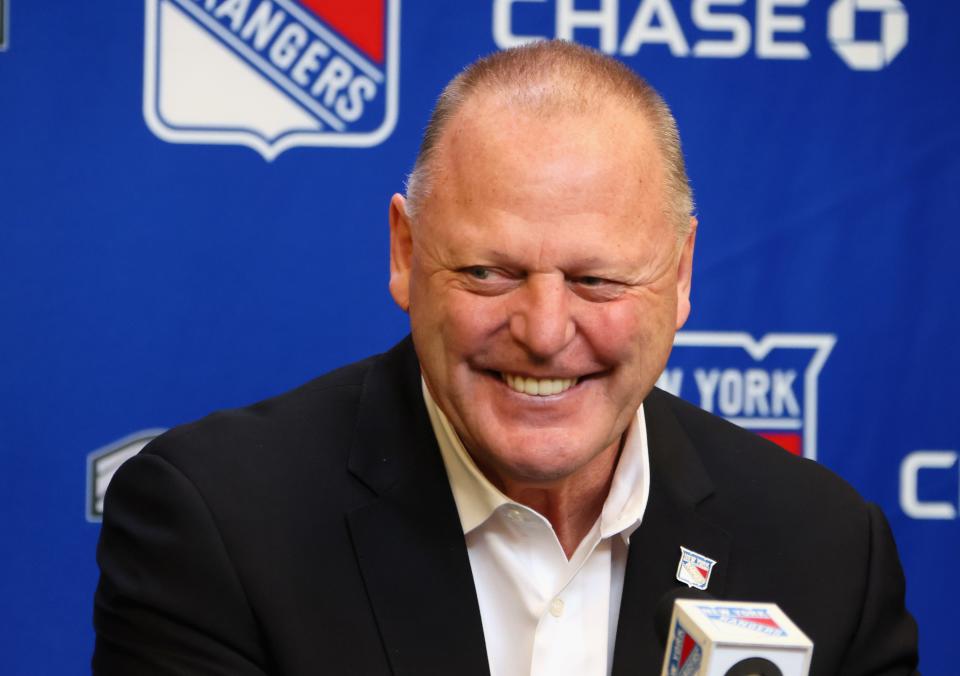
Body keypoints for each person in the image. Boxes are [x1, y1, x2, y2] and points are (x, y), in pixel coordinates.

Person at [94, 40, 919, 675]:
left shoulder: (827, 551)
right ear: (405, 252)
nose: (545, 329)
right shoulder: (218, 527)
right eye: (490, 272)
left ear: (680, 275)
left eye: (596, 279)